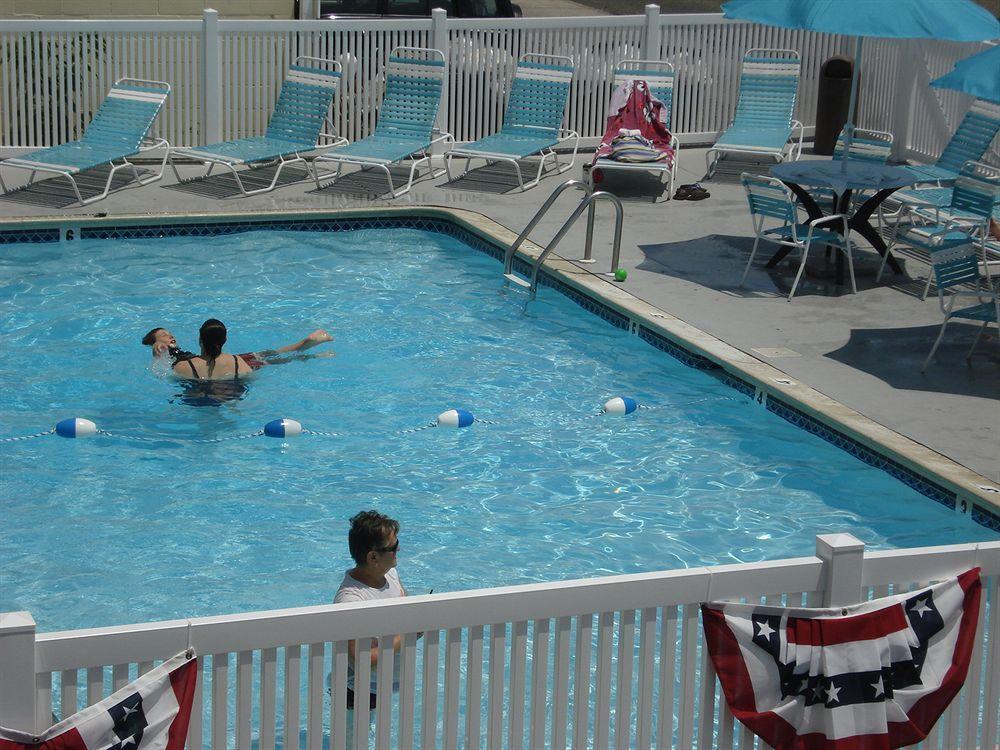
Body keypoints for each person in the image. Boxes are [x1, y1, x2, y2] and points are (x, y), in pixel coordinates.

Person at [333, 510, 407, 712]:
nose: (398, 549)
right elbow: (359, 660)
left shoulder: (390, 574)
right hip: (357, 690)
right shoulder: (351, 600)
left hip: (383, 683)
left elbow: (405, 606)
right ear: (373, 557)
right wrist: (405, 635)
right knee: (353, 741)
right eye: (393, 547)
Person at [142, 325, 333, 370]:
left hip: (213, 362)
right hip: (221, 358)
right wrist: (158, 344)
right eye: (164, 335)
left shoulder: (178, 353)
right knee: (268, 357)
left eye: (169, 333)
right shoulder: (162, 347)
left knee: (267, 357)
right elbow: (158, 349)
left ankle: (311, 351)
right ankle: (311, 345)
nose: (170, 336)